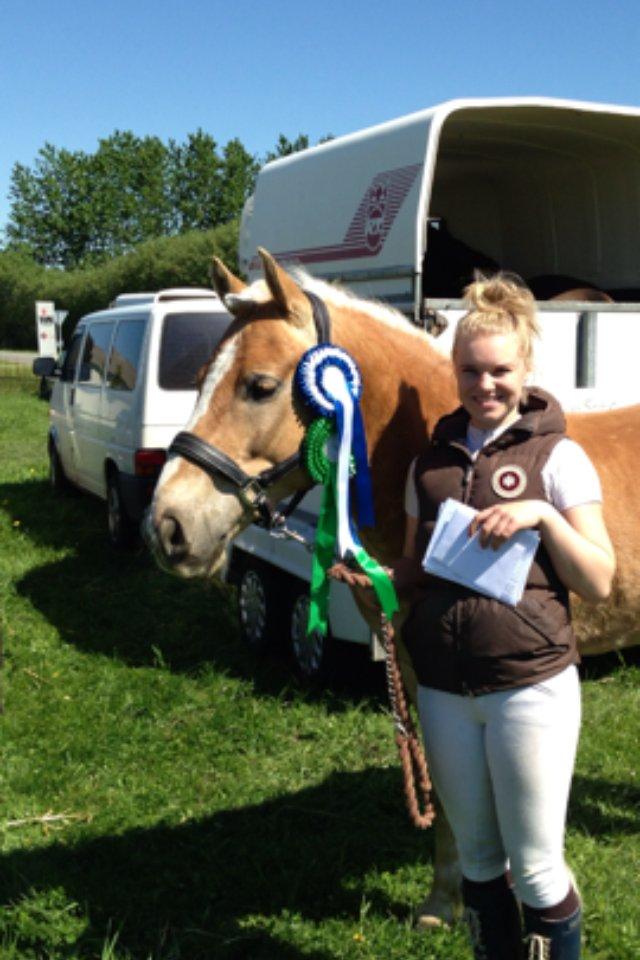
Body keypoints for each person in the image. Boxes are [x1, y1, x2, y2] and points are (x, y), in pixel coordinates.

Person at [334, 272, 616, 959]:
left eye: (499, 371)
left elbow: (600, 579)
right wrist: (373, 580)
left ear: (525, 370)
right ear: (453, 370)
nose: (484, 385)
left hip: (530, 687)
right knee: (482, 865)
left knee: (539, 868)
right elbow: (415, 570)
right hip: (444, 692)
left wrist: (543, 515)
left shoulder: (560, 458)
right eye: (470, 370)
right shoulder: (426, 468)